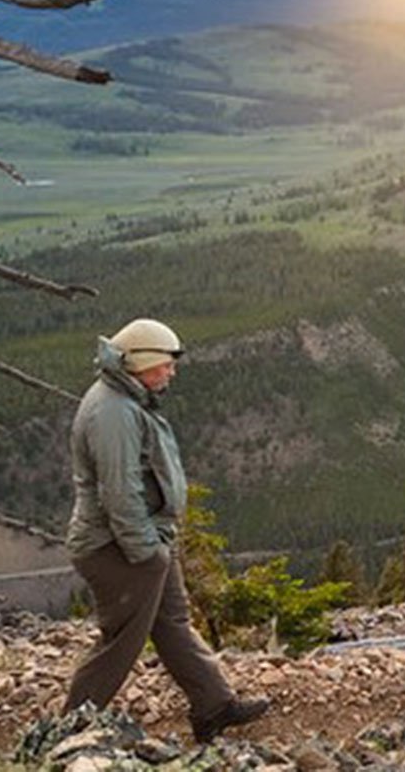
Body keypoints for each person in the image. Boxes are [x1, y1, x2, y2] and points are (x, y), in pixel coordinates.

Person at [63, 318, 269, 744]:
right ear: (139, 362)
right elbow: (119, 492)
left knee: (172, 622)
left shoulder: (126, 399)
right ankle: (69, 730)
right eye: (165, 364)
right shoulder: (113, 412)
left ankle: (214, 705)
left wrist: (155, 545)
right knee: (121, 641)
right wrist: (147, 552)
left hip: (144, 538)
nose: (172, 372)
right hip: (117, 546)